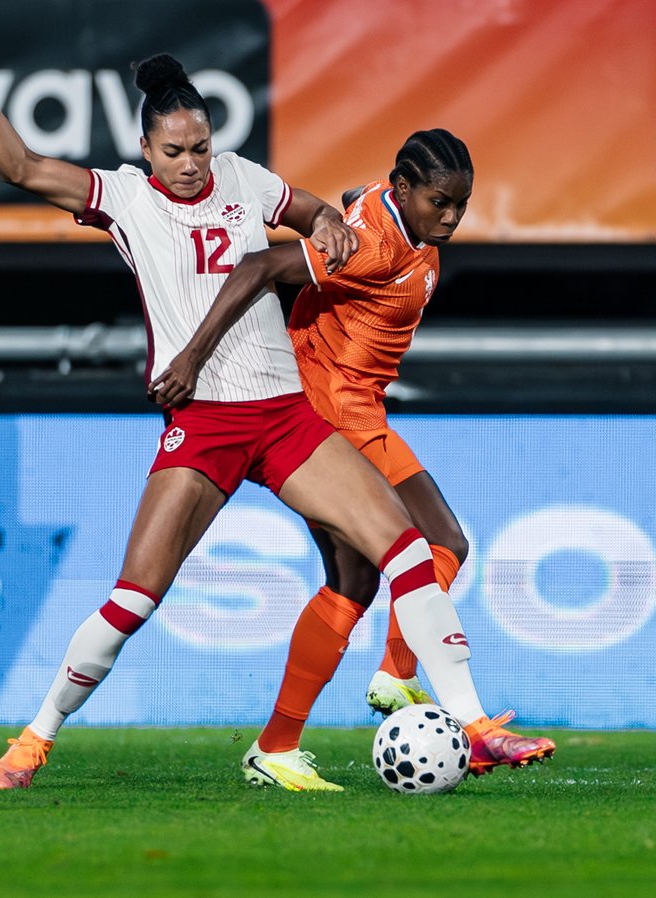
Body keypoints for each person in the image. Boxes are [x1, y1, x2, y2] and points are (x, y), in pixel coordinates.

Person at [0, 20, 548, 793]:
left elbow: (314, 214)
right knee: (134, 598)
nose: (191, 166)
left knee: (406, 550)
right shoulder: (121, 197)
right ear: (146, 147)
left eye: (199, 148)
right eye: (173, 151)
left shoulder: (245, 180)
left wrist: (330, 222)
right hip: (204, 424)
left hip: (288, 415)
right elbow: (20, 166)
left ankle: (476, 723)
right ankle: (35, 737)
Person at [152, 129, 556, 789]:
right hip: (335, 413)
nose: (451, 216)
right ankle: (436, 703)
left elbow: (356, 197)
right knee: (440, 542)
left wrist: (346, 209)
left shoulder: (393, 219)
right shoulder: (371, 246)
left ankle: (278, 745)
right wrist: (192, 360)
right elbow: (257, 269)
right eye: (439, 202)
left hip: (356, 408)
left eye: (461, 203)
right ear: (403, 189)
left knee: (355, 582)